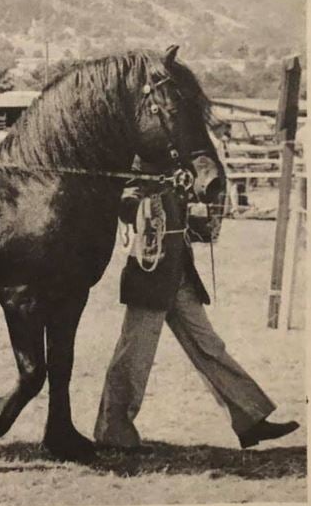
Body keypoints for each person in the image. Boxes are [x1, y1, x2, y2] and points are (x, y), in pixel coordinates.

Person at [94, 157, 299, 451]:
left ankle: (249, 419)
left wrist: (204, 216)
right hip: (151, 272)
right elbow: (127, 206)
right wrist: (146, 199)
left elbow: (186, 214)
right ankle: (112, 431)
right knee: (134, 355)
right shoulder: (139, 163)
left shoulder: (177, 163)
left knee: (209, 346)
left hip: (180, 273)